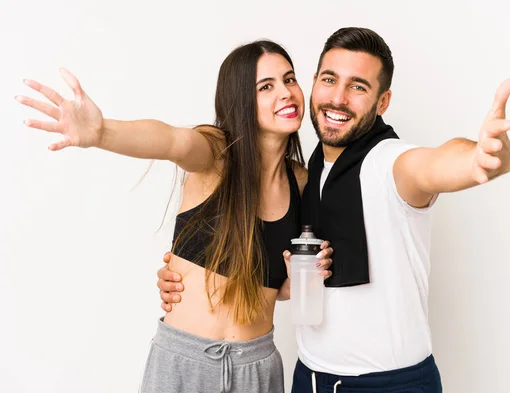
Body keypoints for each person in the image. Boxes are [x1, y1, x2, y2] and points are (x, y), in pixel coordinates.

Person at [159, 27, 510, 393]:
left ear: (382, 102)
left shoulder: (388, 161)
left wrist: (481, 158)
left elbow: (433, 164)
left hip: (390, 385)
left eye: (358, 86)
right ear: (313, 84)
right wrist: (191, 276)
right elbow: (271, 266)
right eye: (330, 80)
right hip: (310, 378)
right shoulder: (303, 177)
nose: (339, 98)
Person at [17, 40, 333, 393]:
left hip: (257, 367)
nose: (286, 94)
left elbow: (278, 288)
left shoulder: (302, 182)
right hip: (185, 362)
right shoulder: (216, 153)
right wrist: (102, 132)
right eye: (266, 87)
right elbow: (172, 141)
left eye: (289, 80)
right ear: (241, 99)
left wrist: (294, 281)